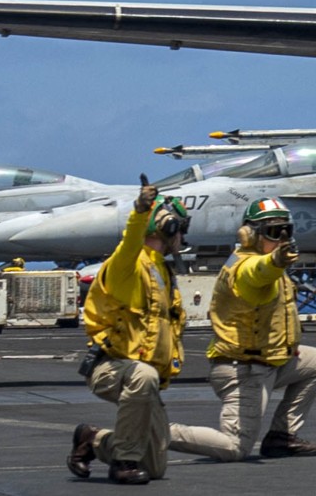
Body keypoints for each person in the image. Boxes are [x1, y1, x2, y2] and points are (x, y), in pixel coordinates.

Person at [67, 184, 217, 485]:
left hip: (145, 376)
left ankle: (92, 439)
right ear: (167, 226)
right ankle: (122, 463)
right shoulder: (128, 266)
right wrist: (139, 212)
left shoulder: (162, 271)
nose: (183, 238)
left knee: (155, 466)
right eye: (180, 229)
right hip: (111, 367)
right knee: (143, 376)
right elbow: (129, 244)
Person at [165, 197, 316, 462]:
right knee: (234, 447)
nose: (282, 239)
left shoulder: (267, 261)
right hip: (244, 370)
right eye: (274, 232)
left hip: (268, 361)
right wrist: (276, 260)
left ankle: (282, 436)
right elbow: (257, 273)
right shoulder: (247, 265)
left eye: (287, 231)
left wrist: (287, 345)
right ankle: (148, 431)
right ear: (250, 235)